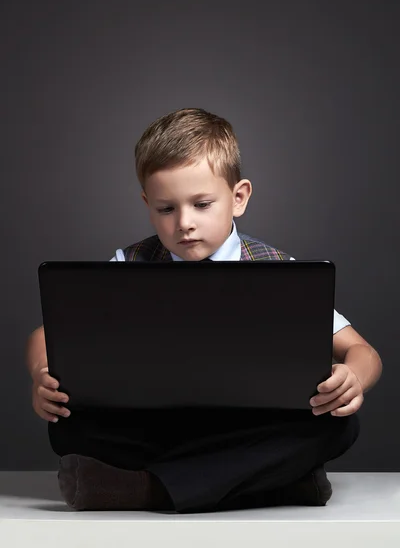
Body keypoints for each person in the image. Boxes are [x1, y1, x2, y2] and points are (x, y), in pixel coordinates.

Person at [26, 107, 383, 513]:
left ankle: (149, 490)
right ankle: (275, 483)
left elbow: (363, 352)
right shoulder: (129, 264)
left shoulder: (276, 269)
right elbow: (43, 335)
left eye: (201, 204)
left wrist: (353, 377)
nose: (184, 223)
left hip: (246, 425)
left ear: (238, 198)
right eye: (166, 209)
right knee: (68, 425)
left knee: (337, 425)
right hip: (159, 425)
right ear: (147, 203)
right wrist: (42, 374)